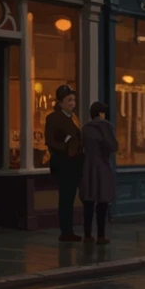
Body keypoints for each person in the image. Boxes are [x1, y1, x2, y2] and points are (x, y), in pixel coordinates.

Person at [44, 85, 84, 242]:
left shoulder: (73, 117)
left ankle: (69, 230)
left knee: (71, 197)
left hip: (75, 162)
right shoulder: (53, 118)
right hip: (64, 163)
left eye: (73, 100)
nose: (73, 103)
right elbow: (50, 140)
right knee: (66, 198)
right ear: (60, 102)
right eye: (69, 100)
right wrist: (66, 145)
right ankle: (66, 232)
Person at [80, 101, 118, 244]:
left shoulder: (85, 128)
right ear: (101, 113)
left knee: (88, 203)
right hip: (102, 166)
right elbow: (113, 146)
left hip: (87, 167)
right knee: (102, 202)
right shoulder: (106, 126)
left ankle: (87, 235)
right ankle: (101, 236)